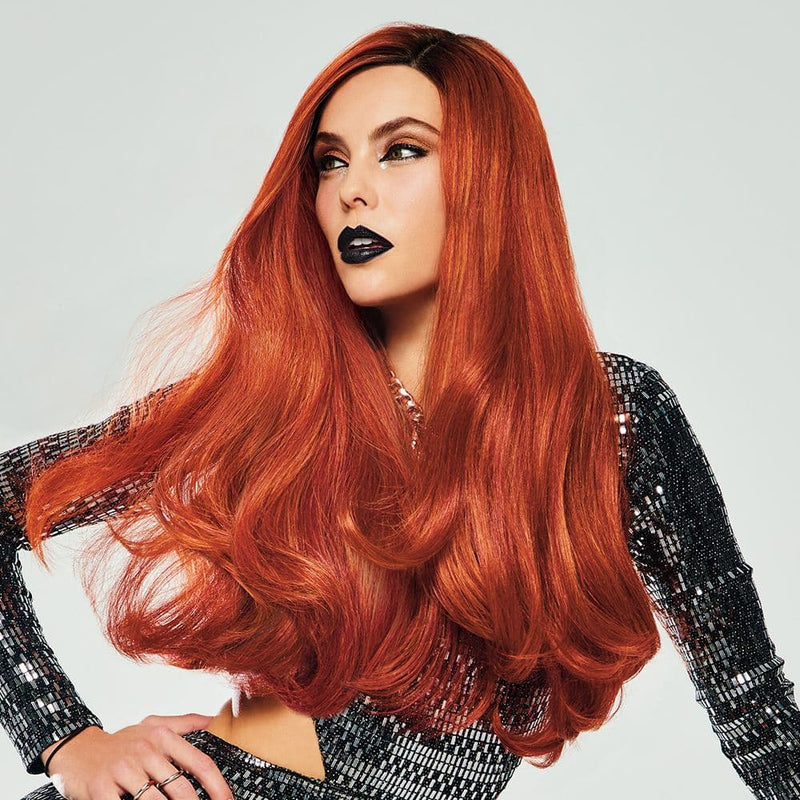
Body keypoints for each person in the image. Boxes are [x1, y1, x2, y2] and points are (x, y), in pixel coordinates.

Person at [1, 21, 798, 800]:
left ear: (488, 179)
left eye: (402, 150)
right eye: (330, 161)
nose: (351, 189)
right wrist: (67, 739)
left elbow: (756, 713)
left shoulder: (606, 417)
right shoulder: (274, 401)